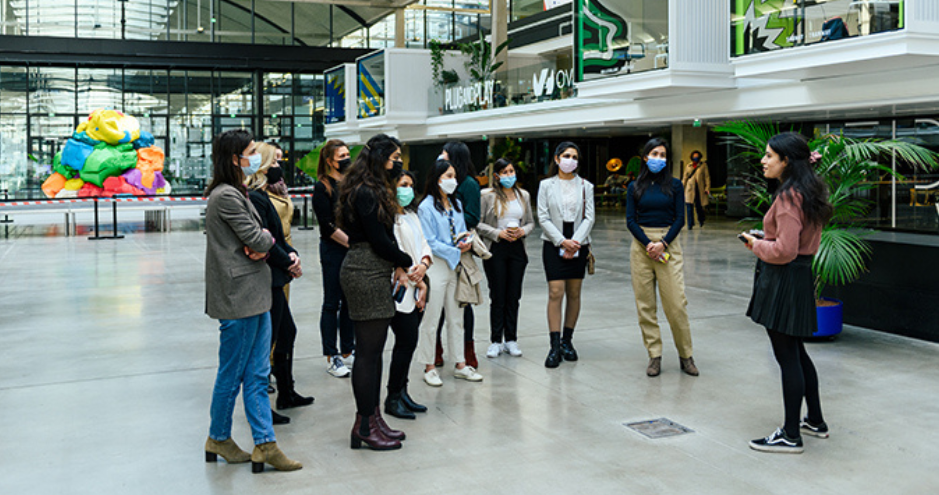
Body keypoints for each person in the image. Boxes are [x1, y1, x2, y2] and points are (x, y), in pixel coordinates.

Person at [203, 129, 301, 473]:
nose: (254, 157)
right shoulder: (226, 196)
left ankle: (264, 444)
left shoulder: (238, 192)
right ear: (234, 159)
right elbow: (257, 237)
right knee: (232, 375)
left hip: (255, 295)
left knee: (258, 373)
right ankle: (219, 438)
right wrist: (263, 243)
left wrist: (262, 244)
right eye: (249, 152)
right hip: (238, 298)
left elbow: (259, 240)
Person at [741, 132, 832, 454]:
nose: (763, 161)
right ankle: (815, 420)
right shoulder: (809, 190)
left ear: (786, 161)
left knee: (786, 357)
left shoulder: (789, 196)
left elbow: (784, 249)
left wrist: (755, 243)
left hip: (783, 280)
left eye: (769, 156)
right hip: (798, 277)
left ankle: (791, 434)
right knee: (797, 352)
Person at [336, 133, 413, 451]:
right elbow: (378, 239)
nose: (399, 163)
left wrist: (398, 261)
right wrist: (405, 260)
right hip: (365, 270)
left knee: (374, 351)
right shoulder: (366, 191)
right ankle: (365, 425)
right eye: (395, 157)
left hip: (372, 268)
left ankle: (373, 418)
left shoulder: (369, 187)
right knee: (367, 354)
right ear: (381, 157)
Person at [246, 143, 314, 415]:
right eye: (273, 163)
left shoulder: (265, 195)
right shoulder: (256, 198)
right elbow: (264, 239)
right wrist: (288, 261)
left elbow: (279, 235)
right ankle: (264, 402)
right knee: (268, 340)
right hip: (268, 276)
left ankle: (286, 391)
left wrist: (293, 255)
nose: (279, 168)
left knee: (286, 332)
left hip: (279, 271)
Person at [626, 138, 698, 378]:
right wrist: (649, 245)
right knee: (645, 305)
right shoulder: (634, 186)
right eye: (654, 153)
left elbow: (680, 218)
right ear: (645, 157)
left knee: (676, 304)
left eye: (663, 154)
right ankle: (654, 355)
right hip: (642, 247)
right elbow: (630, 220)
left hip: (668, 243)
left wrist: (662, 243)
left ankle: (686, 355)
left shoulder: (676, 185)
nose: (659, 158)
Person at [416, 159, 484, 386]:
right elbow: (430, 241)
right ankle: (429, 366)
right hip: (437, 266)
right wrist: (455, 250)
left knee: (457, 318)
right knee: (431, 317)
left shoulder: (456, 203)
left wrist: (466, 240)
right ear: (436, 180)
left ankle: (460, 364)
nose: (452, 181)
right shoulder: (426, 206)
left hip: (456, 266)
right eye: (448, 176)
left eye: (454, 176)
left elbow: (462, 228)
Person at [536, 142, 594, 368]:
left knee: (574, 292)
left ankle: (567, 341)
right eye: (567, 155)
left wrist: (575, 242)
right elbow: (543, 217)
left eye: (575, 156)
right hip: (553, 240)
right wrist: (562, 241)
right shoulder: (546, 185)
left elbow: (589, 217)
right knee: (555, 291)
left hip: (579, 240)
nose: (571, 160)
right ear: (557, 159)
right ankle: (553, 345)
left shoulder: (585, 186)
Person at [384, 170, 431, 419]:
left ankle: (403, 392)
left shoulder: (412, 214)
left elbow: (424, 242)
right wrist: (409, 272)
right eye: (403, 185)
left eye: (411, 185)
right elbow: (394, 249)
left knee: (410, 343)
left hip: (419, 281)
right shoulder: (388, 217)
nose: (408, 190)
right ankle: (392, 397)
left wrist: (423, 264)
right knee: (405, 342)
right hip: (400, 285)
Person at [477, 158, 535, 359]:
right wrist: (497, 233)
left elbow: (530, 222)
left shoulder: (523, 195)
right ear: (497, 176)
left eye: (511, 171)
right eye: (505, 172)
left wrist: (522, 231)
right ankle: (495, 340)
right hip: (496, 248)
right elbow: (478, 223)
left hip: (517, 248)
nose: (509, 175)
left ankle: (511, 339)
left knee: (513, 295)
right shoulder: (487, 196)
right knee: (498, 295)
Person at [313, 139, 355, 378]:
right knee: (332, 303)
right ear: (329, 160)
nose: (346, 159)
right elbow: (326, 226)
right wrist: (351, 242)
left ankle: (349, 349)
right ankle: (332, 354)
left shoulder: (350, 184)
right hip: (333, 250)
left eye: (348, 154)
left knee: (350, 302)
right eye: (341, 156)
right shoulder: (322, 187)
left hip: (352, 249)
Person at [439, 142, 481, 369]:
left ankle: (467, 349)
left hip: (460, 249)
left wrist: (454, 225)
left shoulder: (469, 185)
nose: (441, 159)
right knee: (436, 303)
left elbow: (473, 217)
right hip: (437, 250)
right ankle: (436, 348)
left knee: (462, 301)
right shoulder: (437, 183)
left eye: (445, 155)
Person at [682, 150, 710, 229]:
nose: (695, 158)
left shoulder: (703, 165)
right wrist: (681, 187)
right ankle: (690, 224)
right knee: (689, 206)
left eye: (697, 156)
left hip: (699, 188)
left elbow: (707, 177)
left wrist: (707, 187)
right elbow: (685, 178)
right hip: (690, 188)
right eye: (694, 156)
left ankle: (701, 220)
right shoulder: (688, 166)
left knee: (699, 206)